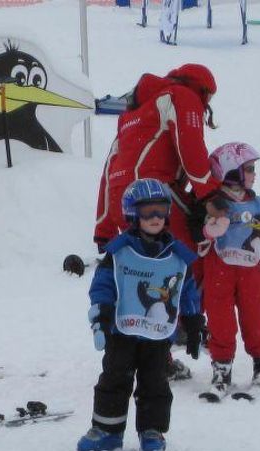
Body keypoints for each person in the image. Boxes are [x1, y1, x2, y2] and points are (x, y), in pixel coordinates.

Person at [93, 63, 221, 381]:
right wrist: (209, 196)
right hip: (157, 192)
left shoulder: (132, 114)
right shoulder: (181, 96)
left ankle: (145, 346)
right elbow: (192, 149)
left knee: (142, 271)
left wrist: (105, 224)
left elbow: (111, 168)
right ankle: (178, 333)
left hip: (126, 200)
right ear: (202, 90)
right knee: (186, 260)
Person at [78, 179, 203, 451]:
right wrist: (102, 314)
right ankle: (108, 429)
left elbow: (187, 288)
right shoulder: (119, 252)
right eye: (148, 212)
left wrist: (194, 321)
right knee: (114, 378)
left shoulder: (176, 254)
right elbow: (103, 284)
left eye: (161, 210)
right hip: (122, 331)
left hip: (157, 333)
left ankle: (152, 430)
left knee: (155, 381)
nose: (156, 218)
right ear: (134, 214)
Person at [198, 142, 260, 398]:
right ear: (231, 171)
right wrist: (211, 230)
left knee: (253, 315)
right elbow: (200, 233)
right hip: (219, 269)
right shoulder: (214, 201)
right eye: (249, 169)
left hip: (250, 271)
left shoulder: (255, 203)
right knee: (220, 319)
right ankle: (221, 369)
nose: (254, 174)